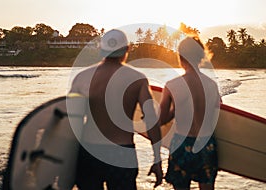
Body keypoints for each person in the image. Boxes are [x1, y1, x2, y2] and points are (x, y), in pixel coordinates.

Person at [70, 29, 163, 190]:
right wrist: (157, 159)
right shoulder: (137, 79)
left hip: (89, 152)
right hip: (122, 153)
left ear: (102, 50)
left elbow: (71, 121)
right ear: (127, 49)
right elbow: (151, 118)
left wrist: (68, 161)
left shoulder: (81, 78)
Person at [159, 37, 220, 190]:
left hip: (181, 144)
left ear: (180, 57)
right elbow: (215, 112)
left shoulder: (172, 85)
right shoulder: (212, 85)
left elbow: (160, 120)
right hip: (206, 144)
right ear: (201, 57)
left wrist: (174, 110)